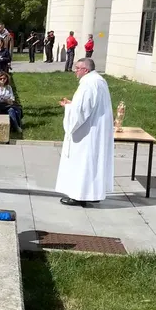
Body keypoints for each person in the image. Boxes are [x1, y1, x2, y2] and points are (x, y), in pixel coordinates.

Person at [56, 58, 114, 206]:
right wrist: (73, 104)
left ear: (85, 70)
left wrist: (68, 108)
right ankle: (93, 193)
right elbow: (87, 105)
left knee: (82, 162)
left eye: (77, 68)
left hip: (87, 132)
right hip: (97, 129)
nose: (75, 71)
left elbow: (81, 111)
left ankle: (79, 195)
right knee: (93, 163)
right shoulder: (100, 80)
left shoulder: (88, 84)